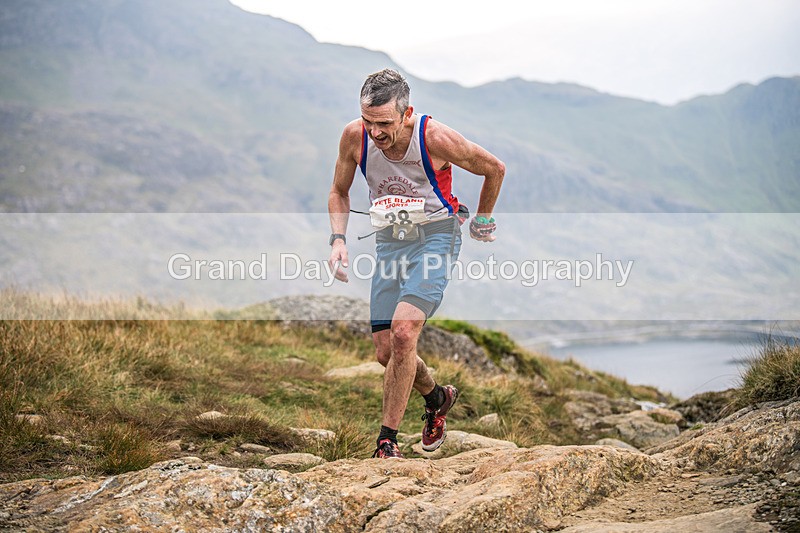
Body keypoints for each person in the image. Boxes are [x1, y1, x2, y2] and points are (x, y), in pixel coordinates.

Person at [328, 68, 505, 459]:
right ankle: (437, 396)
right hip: (391, 242)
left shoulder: (434, 138)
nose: (375, 132)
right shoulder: (354, 136)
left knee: (404, 332)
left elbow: (494, 168)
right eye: (368, 120)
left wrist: (483, 218)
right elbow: (339, 191)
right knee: (385, 352)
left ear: (406, 114)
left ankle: (386, 442)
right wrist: (338, 239)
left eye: (384, 124)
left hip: (436, 237)